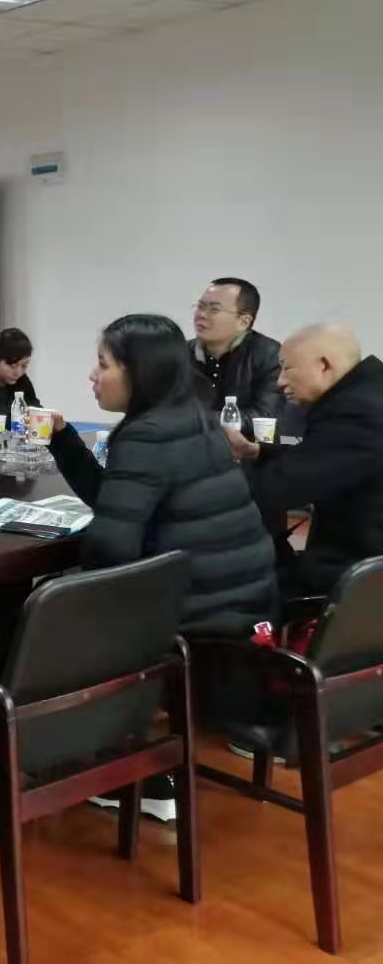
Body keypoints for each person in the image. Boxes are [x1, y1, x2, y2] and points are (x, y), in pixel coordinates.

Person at [49, 315, 278, 822]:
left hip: (200, 611)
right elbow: (117, 501)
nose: (92, 375)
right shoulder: (193, 417)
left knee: (52, 611)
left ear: (140, 373)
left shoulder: (146, 434)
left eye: (103, 364)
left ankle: (125, 772)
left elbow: (110, 547)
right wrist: (64, 439)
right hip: (243, 598)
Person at [223, 324, 383, 603]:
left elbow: (282, 487)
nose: (280, 382)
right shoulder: (367, 392)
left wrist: (210, 493)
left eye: (287, 368)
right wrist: (259, 451)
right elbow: (322, 453)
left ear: (324, 365)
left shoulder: (358, 412)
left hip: (360, 567)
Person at [189, 277, 284, 435]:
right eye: (200, 306)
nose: (202, 315)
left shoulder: (269, 354)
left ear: (243, 322)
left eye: (214, 309)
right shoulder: (181, 352)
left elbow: (266, 418)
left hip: (247, 446)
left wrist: (199, 420)